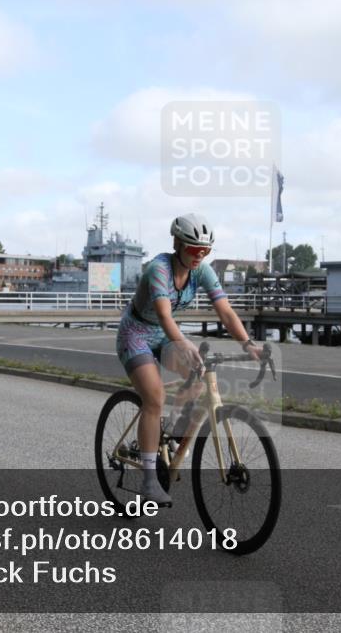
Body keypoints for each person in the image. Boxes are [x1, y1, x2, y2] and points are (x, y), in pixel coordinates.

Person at [116, 214, 261, 504]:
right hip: (136, 334)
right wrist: (182, 342)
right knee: (155, 397)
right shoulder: (159, 270)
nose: (199, 256)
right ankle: (148, 481)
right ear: (177, 244)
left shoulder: (202, 272)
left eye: (205, 251)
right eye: (194, 250)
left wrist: (248, 344)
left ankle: (167, 429)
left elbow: (226, 312)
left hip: (163, 334)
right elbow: (164, 315)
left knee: (199, 378)